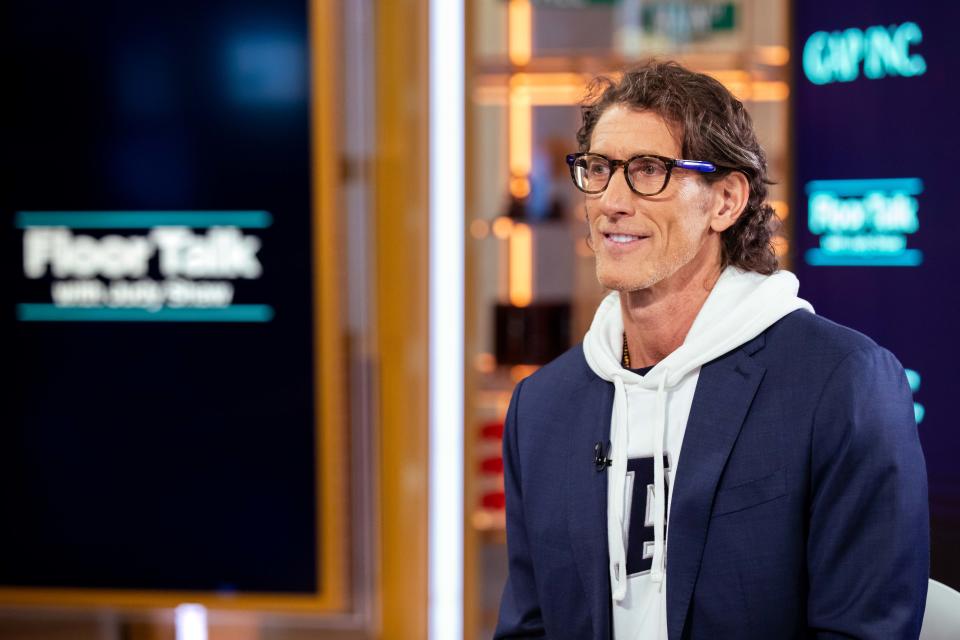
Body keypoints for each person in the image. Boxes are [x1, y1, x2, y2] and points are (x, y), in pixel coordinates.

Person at [493, 60, 929, 639]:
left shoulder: (842, 384)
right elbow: (529, 628)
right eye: (598, 169)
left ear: (725, 200)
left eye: (649, 170)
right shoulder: (541, 408)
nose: (611, 201)